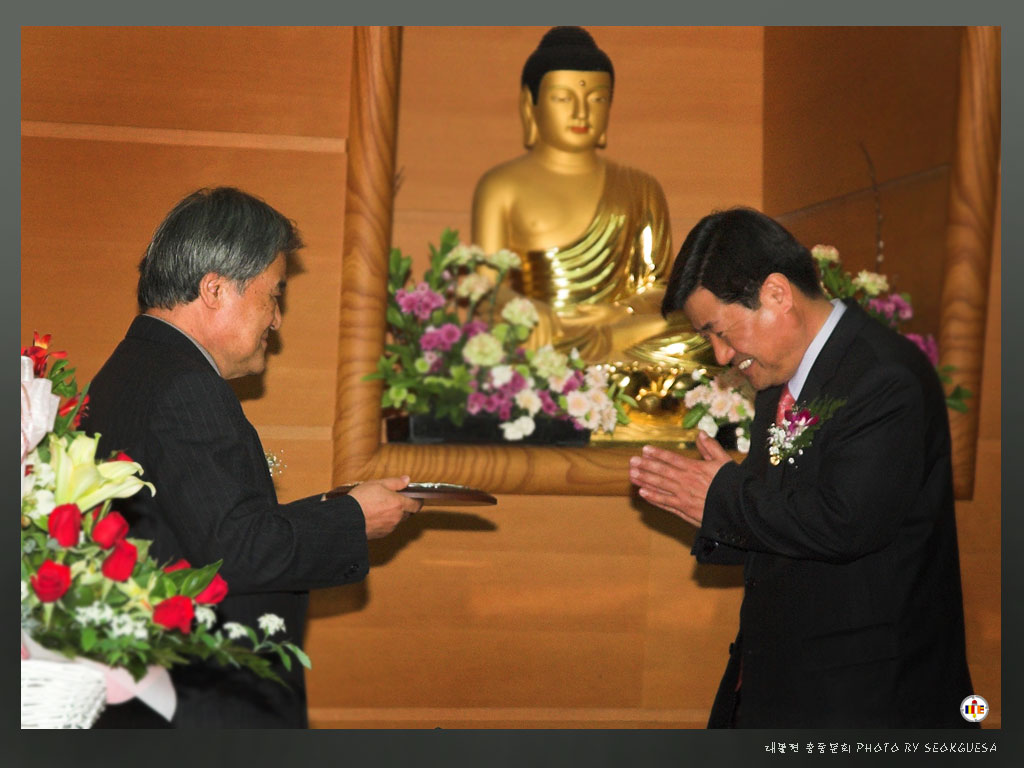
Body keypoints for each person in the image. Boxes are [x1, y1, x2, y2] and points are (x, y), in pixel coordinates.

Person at [82, 187, 421, 728]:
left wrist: (338, 506)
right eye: (274, 295)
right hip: (201, 711)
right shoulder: (185, 387)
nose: (277, 319)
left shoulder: (134, 368)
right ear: (215, 289)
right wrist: (354, 519)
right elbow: (236, 552)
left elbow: (209, 532)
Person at [629, 207, 976, 728]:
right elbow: (791, 519)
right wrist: (710, 510)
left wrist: (725, 496)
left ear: (775, 293)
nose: (722, 356)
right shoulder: (782, 379)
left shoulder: (883, 376)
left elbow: (846, 522)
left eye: (719, 331)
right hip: (788, 686)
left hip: (870, 699)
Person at [471, 26, 712, 378]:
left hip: (620, 330)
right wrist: (528, 311)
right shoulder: (500, 186)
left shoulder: (640, 187)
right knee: (497, 341)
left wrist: (619, 313)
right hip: (546, 333)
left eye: (597, 98)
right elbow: (485, 290)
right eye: (563, 98)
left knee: (697, 336)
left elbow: (661, 288)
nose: (581, 111)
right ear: (530, 105)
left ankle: (591, 373)